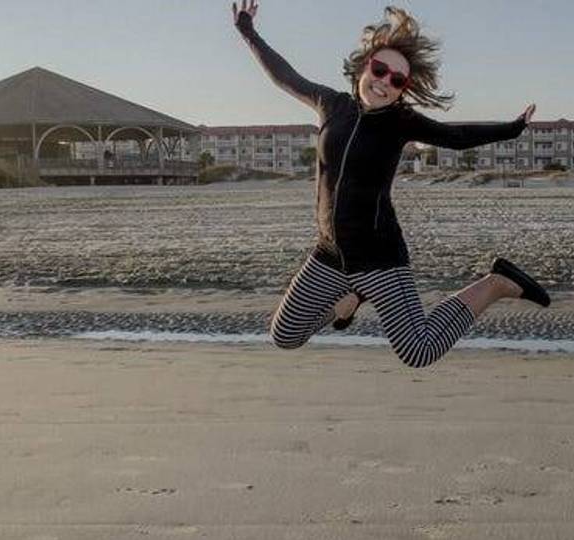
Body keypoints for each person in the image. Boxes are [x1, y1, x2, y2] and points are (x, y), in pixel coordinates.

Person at [234, 1, 551, 368]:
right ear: (364, 66)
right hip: (330, 253)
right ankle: (347, 303)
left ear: (403, 89)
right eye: (380, 70)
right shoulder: (332, 105)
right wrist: (248, 32)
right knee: (285, 335)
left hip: (379, 258)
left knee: (419, 351)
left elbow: (458, 135)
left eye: (396, 80)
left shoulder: (402, 122)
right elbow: (284, 74)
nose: (384, 82)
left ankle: (496, 283)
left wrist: (512, 128)